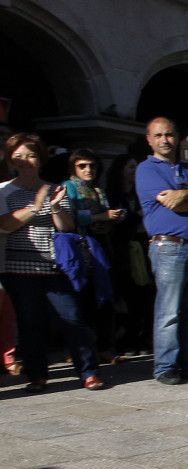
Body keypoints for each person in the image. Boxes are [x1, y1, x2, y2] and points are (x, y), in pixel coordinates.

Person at [0, 133, 104, 391]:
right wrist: (35, 206)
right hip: (19, 268)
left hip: (55, 265)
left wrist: (55, 207)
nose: (25, 161)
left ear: (41, 159)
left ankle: (88, 371)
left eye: (31, 155)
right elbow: (5, 225)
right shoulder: (3, 191)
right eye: (19, 156)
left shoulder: (55, 188)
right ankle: (37, 375)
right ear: (11, 161)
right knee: (30, 322)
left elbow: (67, 226)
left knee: (72, 317)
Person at [135, 117, 188, 384]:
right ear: (149, 139)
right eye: (158, 135)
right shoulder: (146, 170)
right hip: (169, 247)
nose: (165, 140)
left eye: (169, 134)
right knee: (169, 311)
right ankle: (165, 367)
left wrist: (184, 195)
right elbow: (170, 203)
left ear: (178, 137)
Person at [63, 148, 123, 362]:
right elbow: (69, 216)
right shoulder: (68, 187)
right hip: (78, 247)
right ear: (74, 167)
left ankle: (105, 347)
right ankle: (80, 349)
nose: (88, 170)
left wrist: (113, 217)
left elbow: (104, 215)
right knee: (82, 299)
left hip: (100, 246)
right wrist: (100, 216)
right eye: (82, 166)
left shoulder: (99, 190)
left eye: (92, 165)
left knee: (104, 297)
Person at [104, 154, 154, 356]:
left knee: (145, 295)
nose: (135, 172)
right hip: (121, 251)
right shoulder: (111, 196)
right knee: (127, 296)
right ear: (121, 170)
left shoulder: (140, 193)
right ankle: (125, 340)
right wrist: (135, 216)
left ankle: (142, 338)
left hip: (142, 249)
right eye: (131, 168)